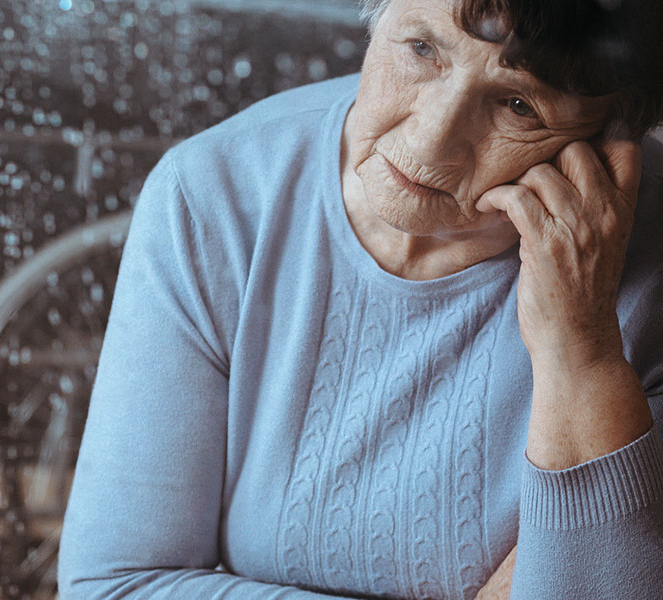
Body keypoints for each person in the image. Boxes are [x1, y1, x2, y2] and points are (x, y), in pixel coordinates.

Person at [58, 0, 663, 597]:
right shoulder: (214, 197)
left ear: (613, 140)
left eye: (518, 105)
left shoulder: (649, 272)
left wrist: (580, 346)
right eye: (423, 49)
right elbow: (115, 584)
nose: (429, 143)